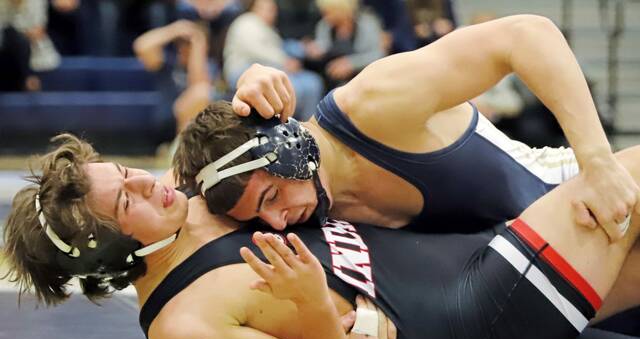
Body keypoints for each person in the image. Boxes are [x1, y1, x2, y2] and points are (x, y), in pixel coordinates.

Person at [4, 125, 640, 339]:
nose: (147, 182)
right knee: (618, 185)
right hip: (472, 321)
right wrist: (312, 303)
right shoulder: (184, 330)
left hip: (475, 256)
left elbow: (248, 137)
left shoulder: (192, 197)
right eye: (126, 199)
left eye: (126, 172)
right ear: (113, 251)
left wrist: (257, 89)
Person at [181, 15, 640, 241]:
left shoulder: (370, 106)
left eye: (270, 198)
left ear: (285, 146)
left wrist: (596, 162)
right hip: (571, 276)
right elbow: (163, 201)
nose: (278, 223)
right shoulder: (309, 210)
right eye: (261, 218)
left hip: (584, 195)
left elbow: (526, 35)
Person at [223, 0, 324, 121]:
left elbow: (279, 49)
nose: (269, 13)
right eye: (264, 8)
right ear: (254, 8)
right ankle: (286, 125)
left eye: (272, 10)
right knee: (292, 88)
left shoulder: (270, 29)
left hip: (272, 68)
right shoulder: (247, 21)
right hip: (243, 71)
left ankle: (307, 124)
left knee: (313, 81)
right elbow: (256, 50)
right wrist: (285, 61)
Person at [133, 19, 213, 141]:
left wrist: (198, 42)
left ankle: (183, 147)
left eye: (188, 43)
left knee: (200, 93)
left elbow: (198, 88)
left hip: (193, 129)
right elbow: (141, 46)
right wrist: (174, 30)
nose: (184, 47)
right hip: (166, 123)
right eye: (182, 42)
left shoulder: (210, 68)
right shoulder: (168, 65)